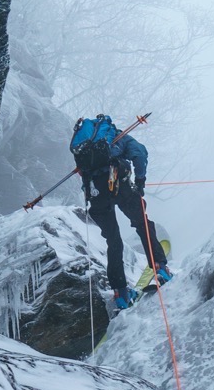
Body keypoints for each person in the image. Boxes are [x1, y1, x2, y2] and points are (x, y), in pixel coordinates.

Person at [70, 114, 173, 310]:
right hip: (120, 184)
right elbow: (140, 154)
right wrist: (140, 182)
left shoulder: (83, 149)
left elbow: (83, 172)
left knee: (113, 241)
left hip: (96, 193)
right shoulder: (118, 136)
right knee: (142, 223)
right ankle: (160, 268)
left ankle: (121, 293)